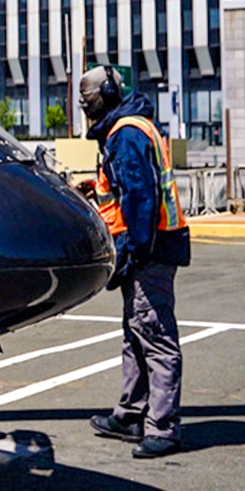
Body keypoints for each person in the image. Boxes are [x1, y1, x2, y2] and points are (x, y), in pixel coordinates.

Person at [77, 66, 190, 458]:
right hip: (148, 245)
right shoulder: (128, 128)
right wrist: (97, 187)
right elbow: (126, 187)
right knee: (136, 332)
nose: (83, 105)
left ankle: (163, 427)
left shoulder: (125, 134)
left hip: (149, 249)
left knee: (155, 335)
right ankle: (129, 414)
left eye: (87, 98)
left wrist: (136, 252)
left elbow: (140, 198)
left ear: (106, 94)